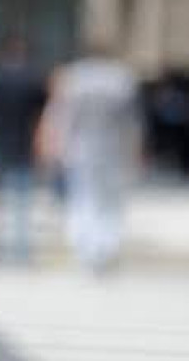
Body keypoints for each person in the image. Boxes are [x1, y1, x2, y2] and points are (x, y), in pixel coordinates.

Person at [37, 47, 144, 273]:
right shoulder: (121, 80)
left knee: (83, 199)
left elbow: (62, 118)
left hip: (81, 151)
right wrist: (136, 150)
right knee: (110, 202)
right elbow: (132, 123)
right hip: (113, 150)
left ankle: (87, 249)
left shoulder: (75, 79)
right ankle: (104, 248)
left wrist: (56, 149)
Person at [0, 35, 47, 262]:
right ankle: (21, 251)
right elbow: (41, 113)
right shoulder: (33, 80)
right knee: (22, 202)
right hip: (23, 143)